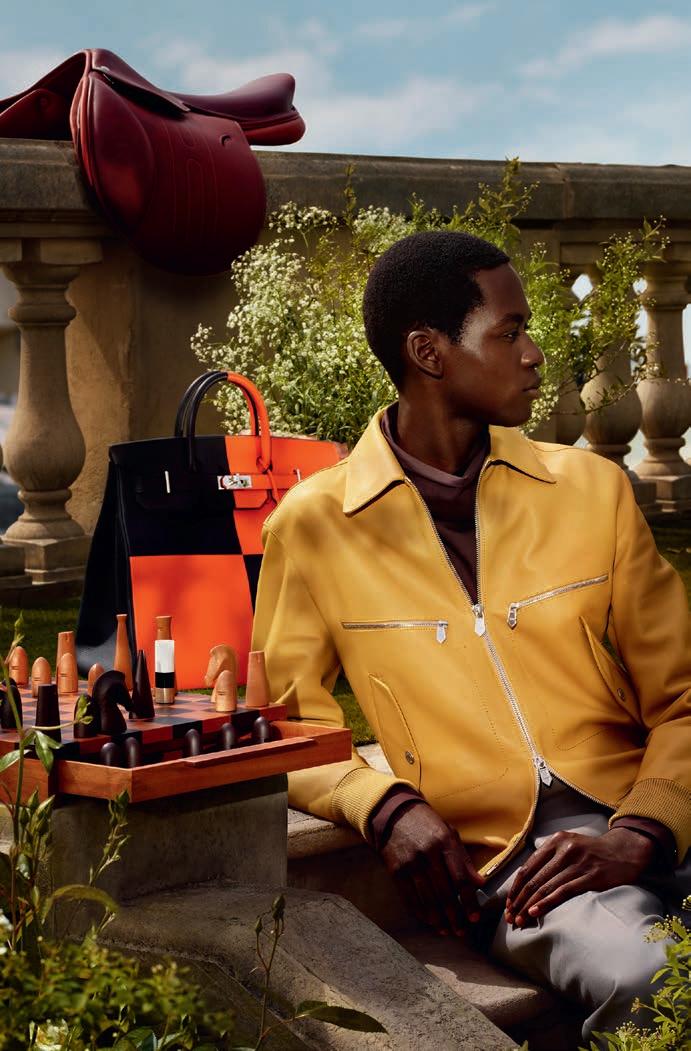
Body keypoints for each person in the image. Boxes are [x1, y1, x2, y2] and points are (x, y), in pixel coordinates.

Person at [251, 230, 691, 1044]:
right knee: (651, 976)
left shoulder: (591, 489)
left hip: (654, 812)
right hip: (514, 866)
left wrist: (642, 828)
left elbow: (684, 696)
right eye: (508, 331)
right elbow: (284, 724)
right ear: (429, 352)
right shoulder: (314, 525)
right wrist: (382, 805)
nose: (533, 354)